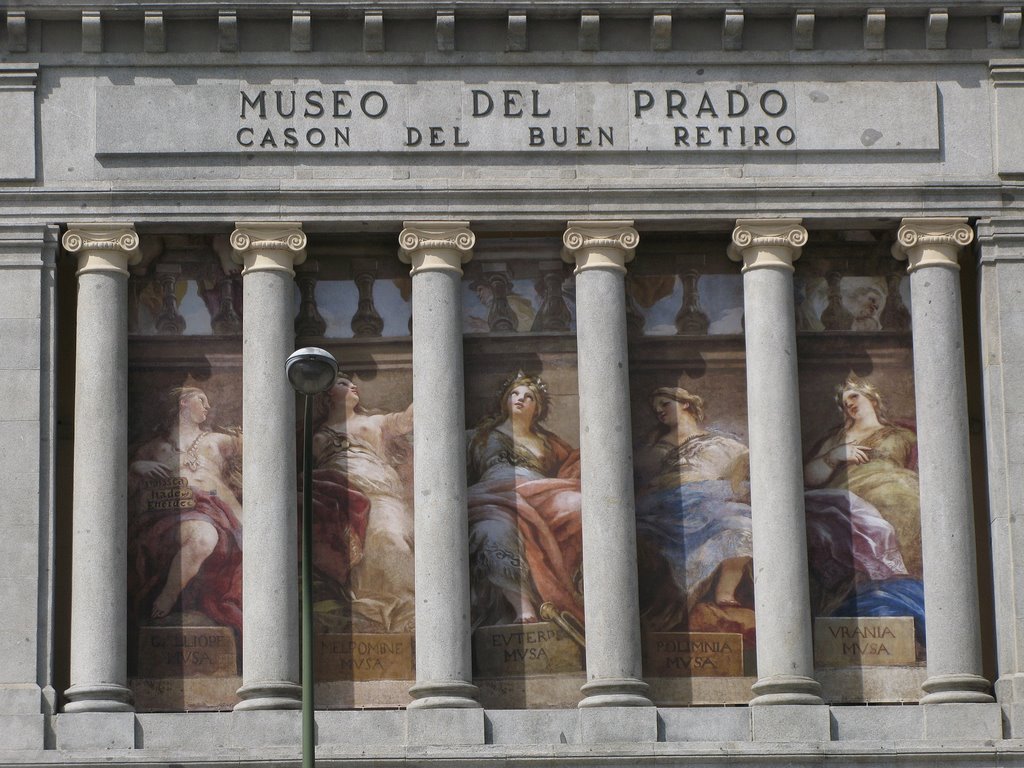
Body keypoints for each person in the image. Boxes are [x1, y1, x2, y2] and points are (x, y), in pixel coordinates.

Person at [633, 387, 756, 634]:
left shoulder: (722, 444)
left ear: (685, 404)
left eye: (664, 403)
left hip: (711, 504)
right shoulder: (651, 451)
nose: (658, 410)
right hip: (667, 508)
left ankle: (725, 591)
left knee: (745, 523)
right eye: (655, 408)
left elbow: (746, 471)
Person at [466, 371, 584, 628]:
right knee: (493, 531)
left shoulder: (549, 443)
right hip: (493, 499)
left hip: (541, 493)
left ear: (537, 408)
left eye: (528, 396)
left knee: (581, 507)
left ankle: (576, 590)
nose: (520, 399)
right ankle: (523, 606)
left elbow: (573, 466)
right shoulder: (476, 437)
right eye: (515, 394)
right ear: (505, 401)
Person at [128, 387, 243, 635]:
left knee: (213, 539)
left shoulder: (218, 441)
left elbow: (264, 452)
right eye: (202, 399)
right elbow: (126, 490)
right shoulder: (153, 449)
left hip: (222, 511)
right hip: (174, 513)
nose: (208, 406)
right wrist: (137, 466)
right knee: (203, 537)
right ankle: (168, 594)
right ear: (183, 402)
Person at [312, 374, 415, 633]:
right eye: (342, 383)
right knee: (351, 556)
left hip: (378, 493)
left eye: (351, 383)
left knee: (390, 540)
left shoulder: (374, 422)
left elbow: (407, 420)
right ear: (326, 395)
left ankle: (408, 609)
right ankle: (369, 615)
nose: (352, 386)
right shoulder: (313, 433)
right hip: (335, 500)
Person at [804, 376, 922, 577]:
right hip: (851, 496)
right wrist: (835, 455)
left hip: (897, 492)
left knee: (911, 505)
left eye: (854, 396)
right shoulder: (839, 437)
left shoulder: (903, 435)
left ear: (872, 399)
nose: (849, 403)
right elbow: (809, 478)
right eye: (844, 403)